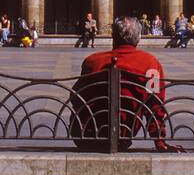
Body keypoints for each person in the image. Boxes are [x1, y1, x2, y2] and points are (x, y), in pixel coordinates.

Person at [70, 16, 177, 152]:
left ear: (113, 36)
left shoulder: (93, 61)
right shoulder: (150, 64)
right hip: (123, 134)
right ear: (138, 37)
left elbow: (76, 97)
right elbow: (155, 105)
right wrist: (159, 140)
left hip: (85, 134)